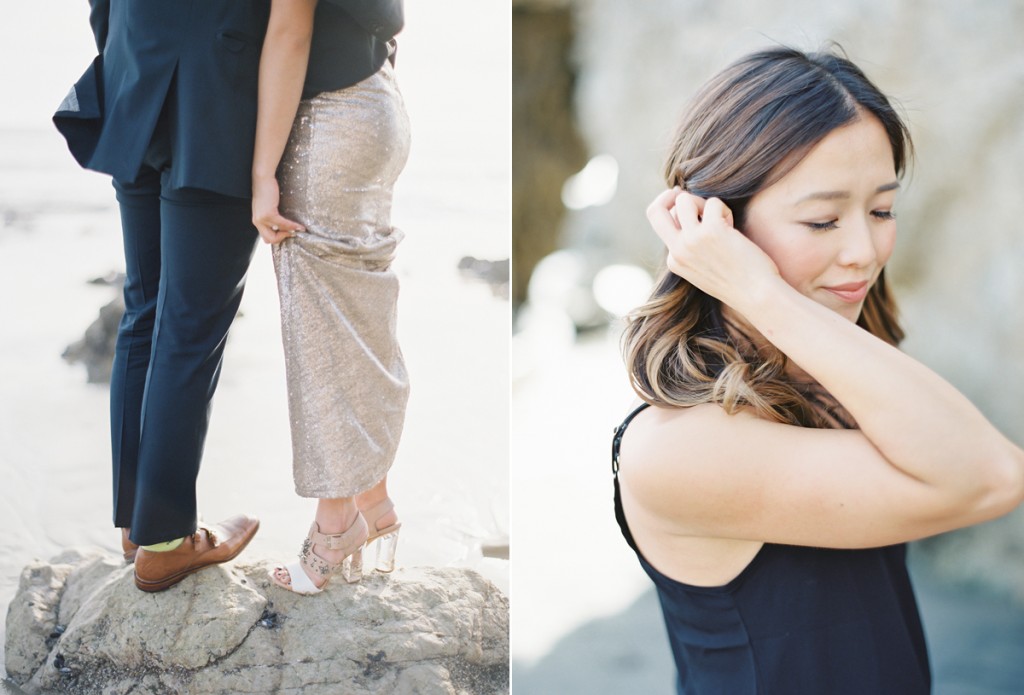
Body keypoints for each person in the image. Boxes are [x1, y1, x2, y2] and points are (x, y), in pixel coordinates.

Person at [612, 46, 1024, 693]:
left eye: (882, 210)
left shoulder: (826, 373)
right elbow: (992, 477)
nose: (863, 250)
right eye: (823, 219)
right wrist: (761, 293)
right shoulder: (680, 446)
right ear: (718, 223)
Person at [53, 1, 268, 591]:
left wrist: (129, 48)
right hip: (215, 92)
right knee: (189, 327)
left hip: (135, 74)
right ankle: (167, 540)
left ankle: (137, 524)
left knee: (144, 312)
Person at [249, 0, 409, 594]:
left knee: (319, 326)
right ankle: (376, 503)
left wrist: (264, 173)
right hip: (378, 102)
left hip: (329, 118)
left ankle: (335, 525)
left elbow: (291, 32)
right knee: (362, 321)